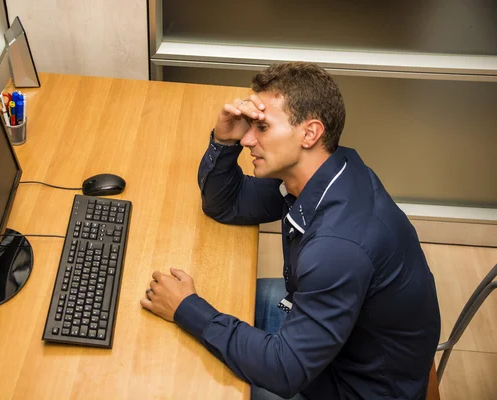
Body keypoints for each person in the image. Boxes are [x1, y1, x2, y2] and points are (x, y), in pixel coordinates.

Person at [140, 62, 441, 400]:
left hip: (351, 386)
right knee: (217, 298)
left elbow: (285, 371)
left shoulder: (338, 246)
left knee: (195, 383)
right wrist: (225, 140)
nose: (248, 139)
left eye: (262, 127)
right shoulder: (327, 171)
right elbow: (226, 204)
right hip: (338, 342)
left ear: (309, 133)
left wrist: (187, 309)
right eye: (249, 125)